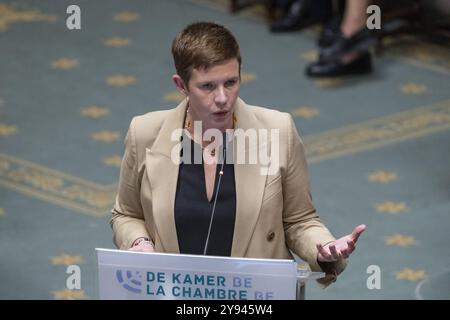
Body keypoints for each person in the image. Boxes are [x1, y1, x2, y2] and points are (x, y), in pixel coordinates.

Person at [110, 21, 366, 287]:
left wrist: (322, 247)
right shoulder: (144, 133)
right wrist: (138, 242)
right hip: (175, 294)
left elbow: (299, 220)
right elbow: (126, 214)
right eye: (207, 86)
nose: (223, 98)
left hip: (255, 295)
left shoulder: (279, 131)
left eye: (231, 82)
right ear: (181, 85)